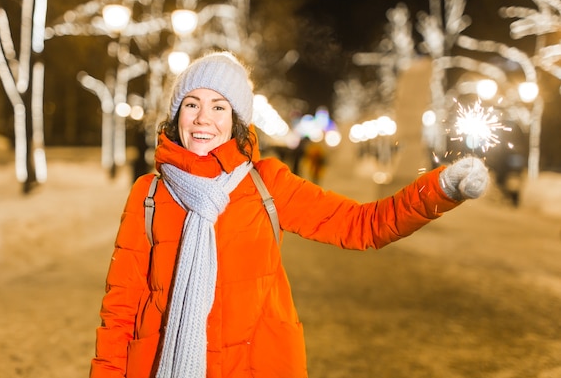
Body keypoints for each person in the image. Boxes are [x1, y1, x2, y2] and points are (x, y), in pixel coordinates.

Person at [89, 51, 490, 378]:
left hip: (255, 365)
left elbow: (361, 225)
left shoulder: (268, 183)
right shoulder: (150, 193)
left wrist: (440, 189)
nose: (202, 118)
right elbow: (121, 307)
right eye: (191, 104)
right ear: (177, 115)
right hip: (161, 364)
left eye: (218, 106)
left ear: (236, 123)